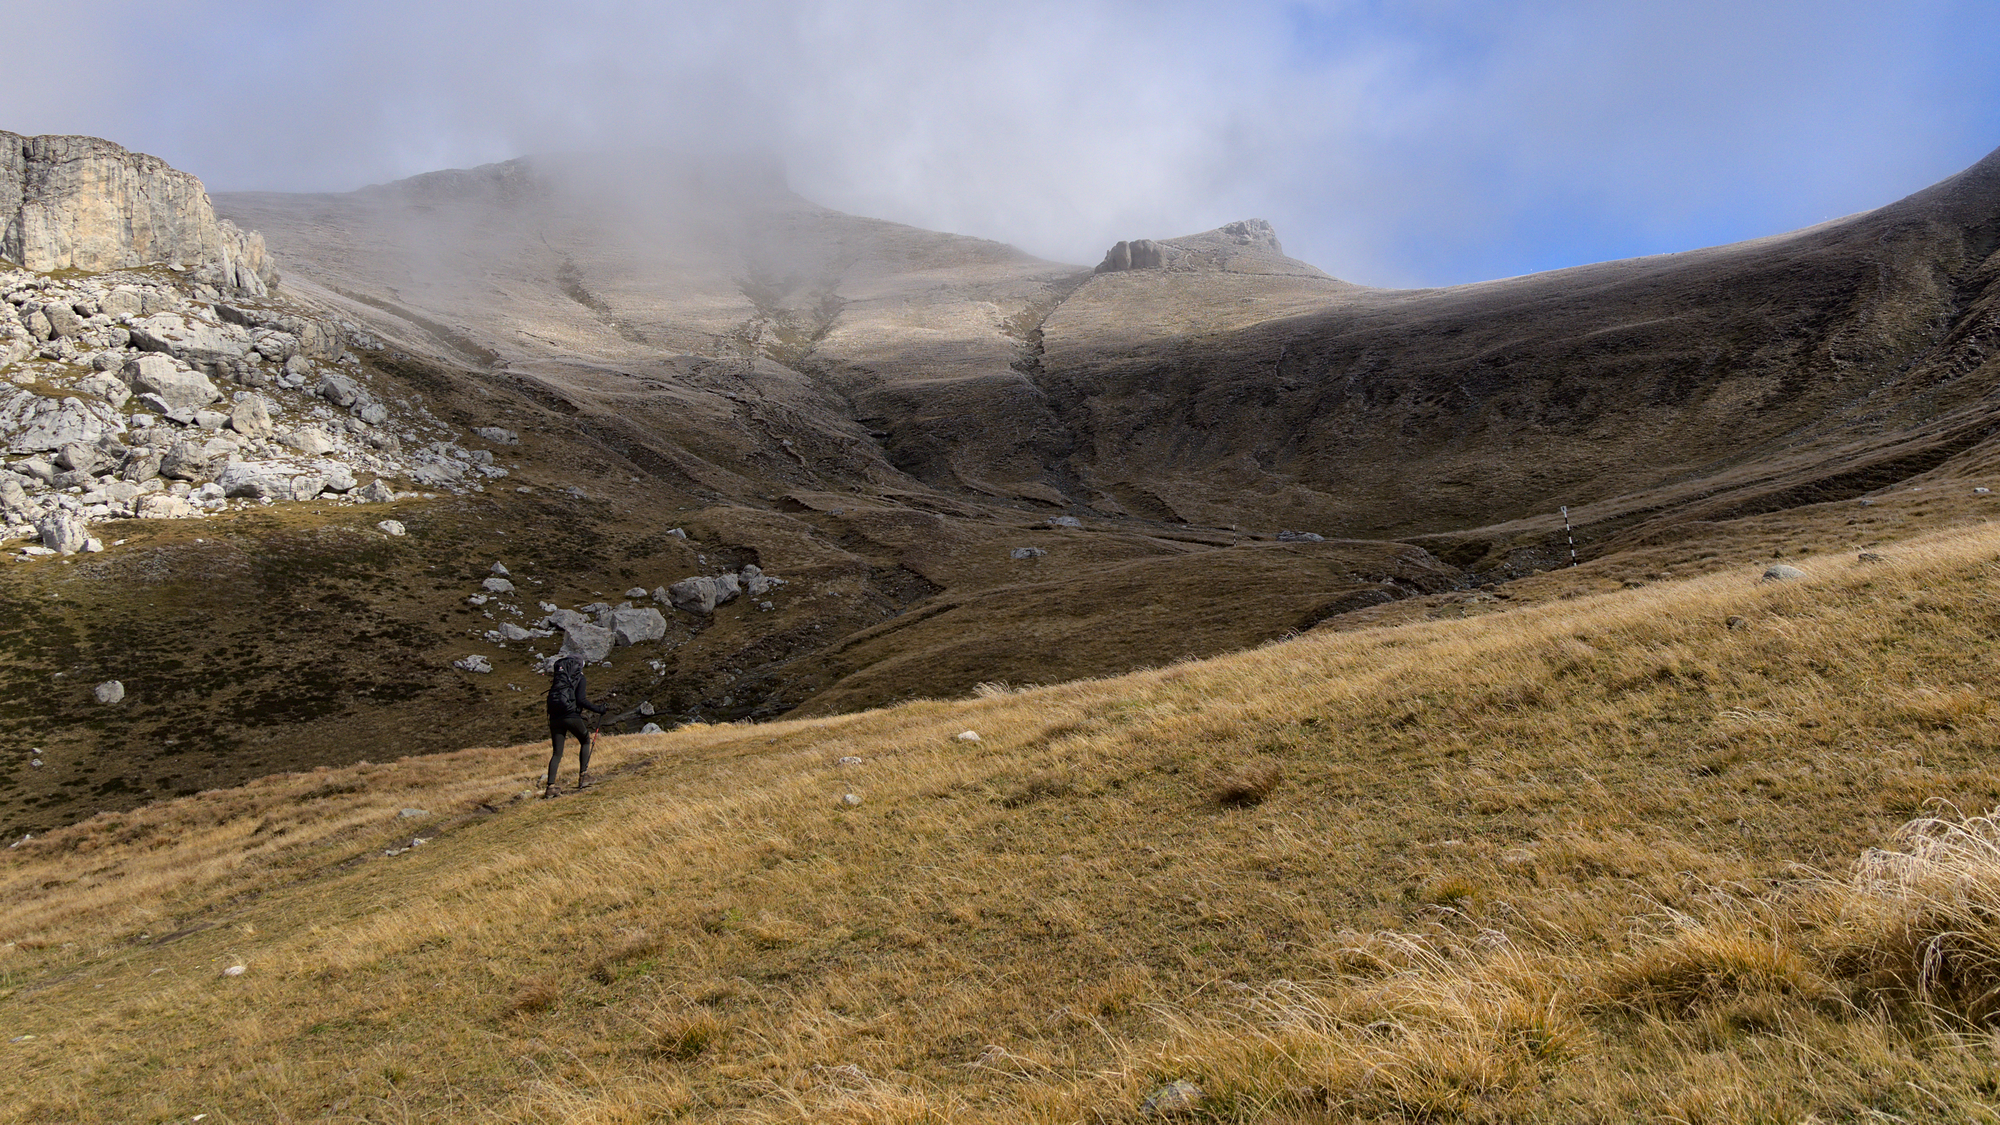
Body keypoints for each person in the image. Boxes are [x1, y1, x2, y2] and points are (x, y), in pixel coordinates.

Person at [544, 654, 608, 798]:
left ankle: (550, 787)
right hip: (570, 716)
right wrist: (599, 709)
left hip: (554, 718)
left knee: (557, 753)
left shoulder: (559, 680)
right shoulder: (579, 678)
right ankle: (583, 776)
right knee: (585, 740)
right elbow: (581, 700)